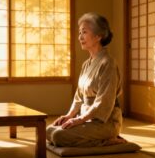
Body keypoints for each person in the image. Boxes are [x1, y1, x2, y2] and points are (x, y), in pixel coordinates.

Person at [46, 12, 123, 147]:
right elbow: (78, 96)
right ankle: (96, 138)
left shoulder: (108, 63)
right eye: (79, 33)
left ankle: (108, 139)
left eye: (84, 32)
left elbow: (104, 101)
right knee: (48, 131)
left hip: (105, 122)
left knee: (58, 136)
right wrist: (69, 116)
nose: (80, 37)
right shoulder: (86, 64)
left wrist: (81, 119)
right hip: (86, 119)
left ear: (98, 36)